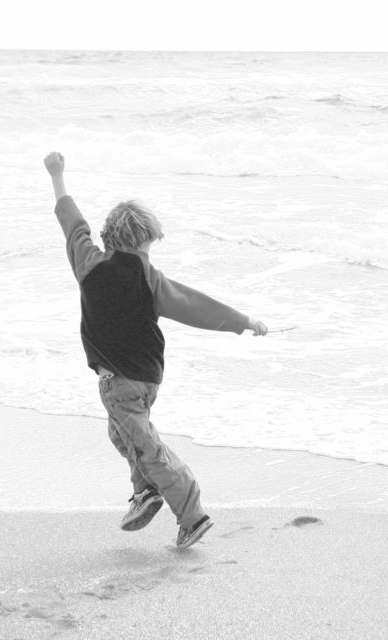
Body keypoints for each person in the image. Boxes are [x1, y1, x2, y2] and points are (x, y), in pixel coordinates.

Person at [44, 151, 268, 549]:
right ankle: (146, 492)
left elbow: (72, 224)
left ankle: (193, 515)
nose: (148, 255)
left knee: (148, 447)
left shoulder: (88, 264)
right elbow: (194, 305)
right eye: (149, 246)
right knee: (122, 436)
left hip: (121, 381)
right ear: (143, 242)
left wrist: (57, 175)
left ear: (109, 239)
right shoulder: (149, 278)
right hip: (143, 378)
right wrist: (242, 321)